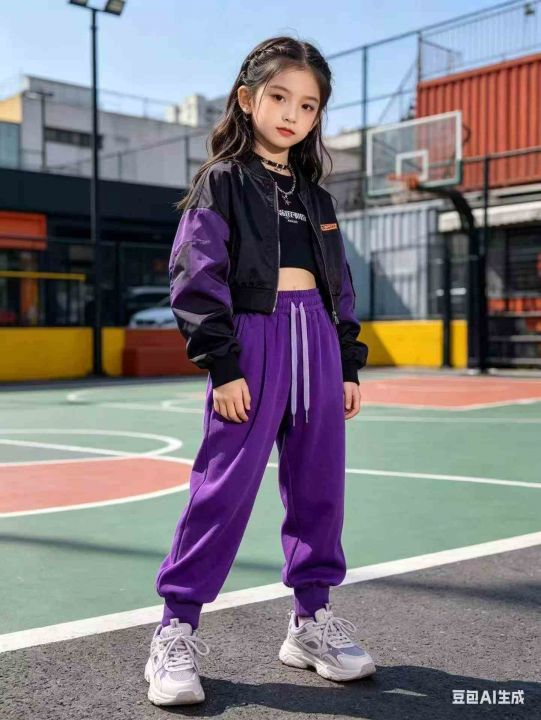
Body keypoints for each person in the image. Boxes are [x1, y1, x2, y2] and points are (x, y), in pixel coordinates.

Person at [144, 35, 375, 707]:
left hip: (318, 344)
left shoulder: (318, 200)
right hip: (251, 342)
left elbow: (339, 286)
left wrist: (347, 363)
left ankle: (310, 622)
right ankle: (175, 629)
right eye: (279, 97)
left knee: (319, 488)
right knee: (223, 489)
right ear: (247, 100)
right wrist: (223, 364)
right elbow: (195, 275)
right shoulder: (221, 181)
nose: (292, 114)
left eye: (308, 105)